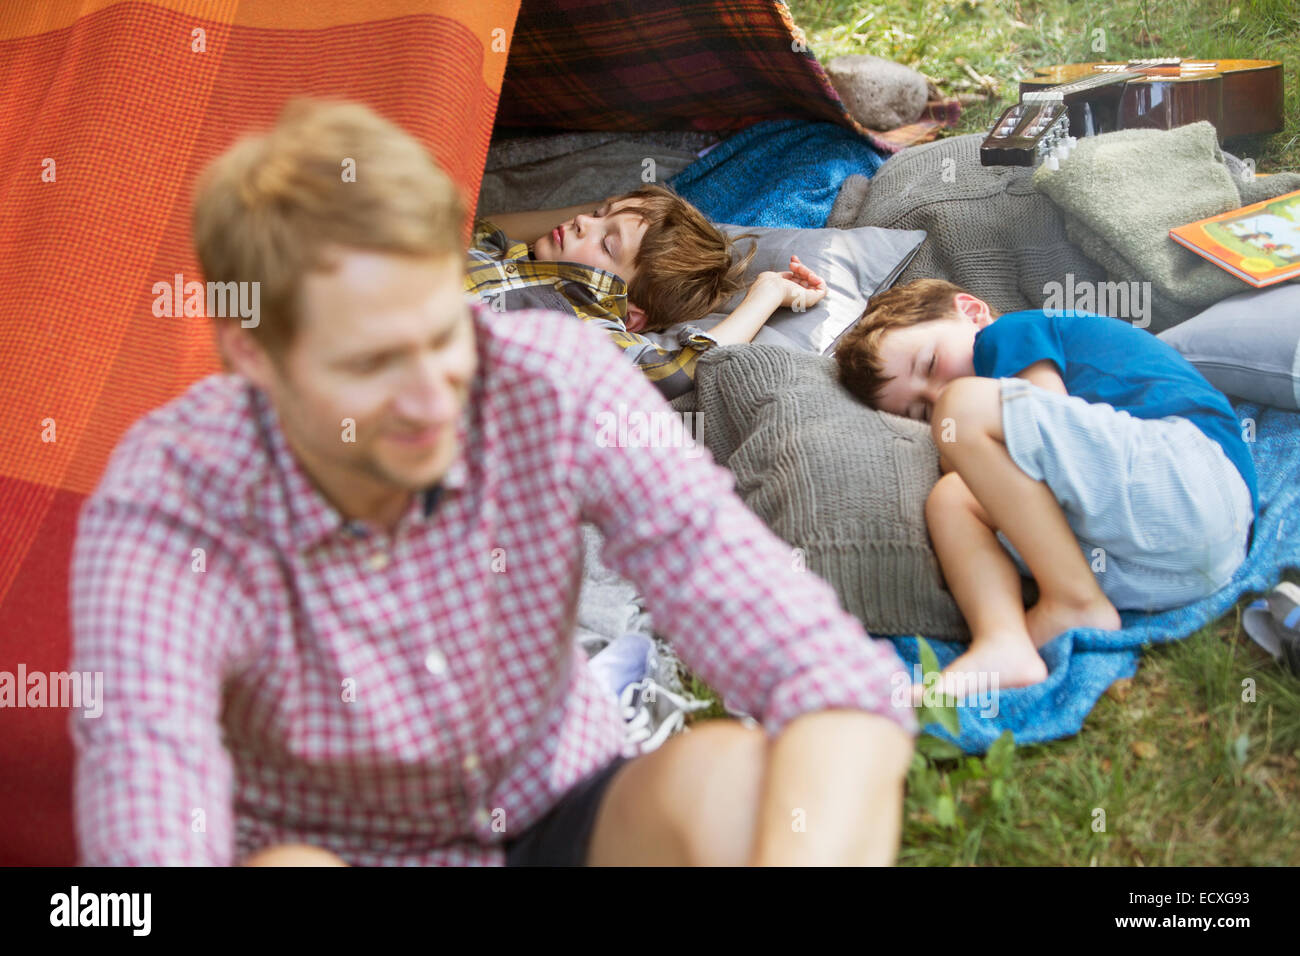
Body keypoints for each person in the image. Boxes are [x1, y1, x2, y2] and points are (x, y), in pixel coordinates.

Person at [68, 98, 915, 867]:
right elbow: (147, 786)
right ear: (256, 358)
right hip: (353, 849)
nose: (434, 393)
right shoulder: (174, 502)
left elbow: (812, 662)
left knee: (732, 784)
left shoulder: (554, 376)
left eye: (443, 331)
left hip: (561, 802)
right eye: (370, 362)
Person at [835, 278, 1257, 692]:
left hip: (1193, 473)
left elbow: (1048, 418)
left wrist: (954, 422)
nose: (939, 392)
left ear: (971, 310)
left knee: (962, 409)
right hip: (1180, 571)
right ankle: (1003, 640)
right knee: (952, 499)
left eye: (929, 365)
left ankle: (1072, 601)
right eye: (921, 411)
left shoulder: (1009, 333)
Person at [469, 186, 827, 400]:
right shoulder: (509, 254)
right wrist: (619, 208)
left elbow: (674, 372)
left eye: (608, 245)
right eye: (596, 214)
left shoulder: (583, 325)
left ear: (628, 315)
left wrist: (767, 292)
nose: (582, 222)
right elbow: (475, 223)